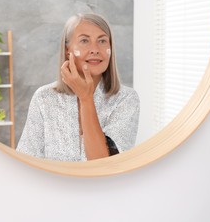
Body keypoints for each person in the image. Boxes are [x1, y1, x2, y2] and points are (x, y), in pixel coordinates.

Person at [17, 13, 140, 162]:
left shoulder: (126, 99)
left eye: (102, 41)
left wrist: (86, 98)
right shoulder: (44, 98)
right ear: (67, 49)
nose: (95, 49)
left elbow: (103, 164)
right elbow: (25, 162)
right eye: (84, 40)